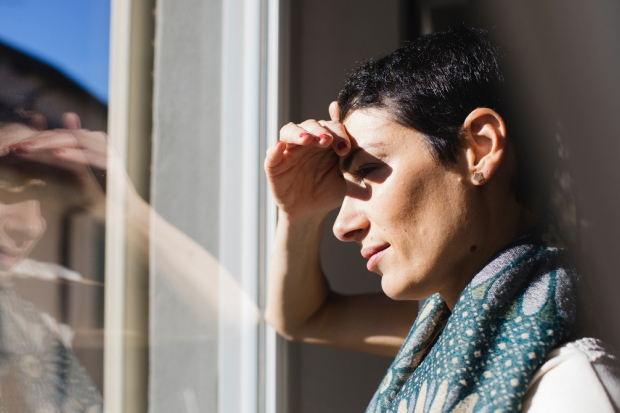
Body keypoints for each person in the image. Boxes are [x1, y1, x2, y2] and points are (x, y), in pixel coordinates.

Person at [264, 27, 620, 412]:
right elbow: (299, 319)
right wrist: (300, 212)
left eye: (369, 169)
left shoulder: (571, 388)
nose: (343, 225)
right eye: (344, 183)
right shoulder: (459, 326)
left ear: (478, 149)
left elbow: (305, 319)